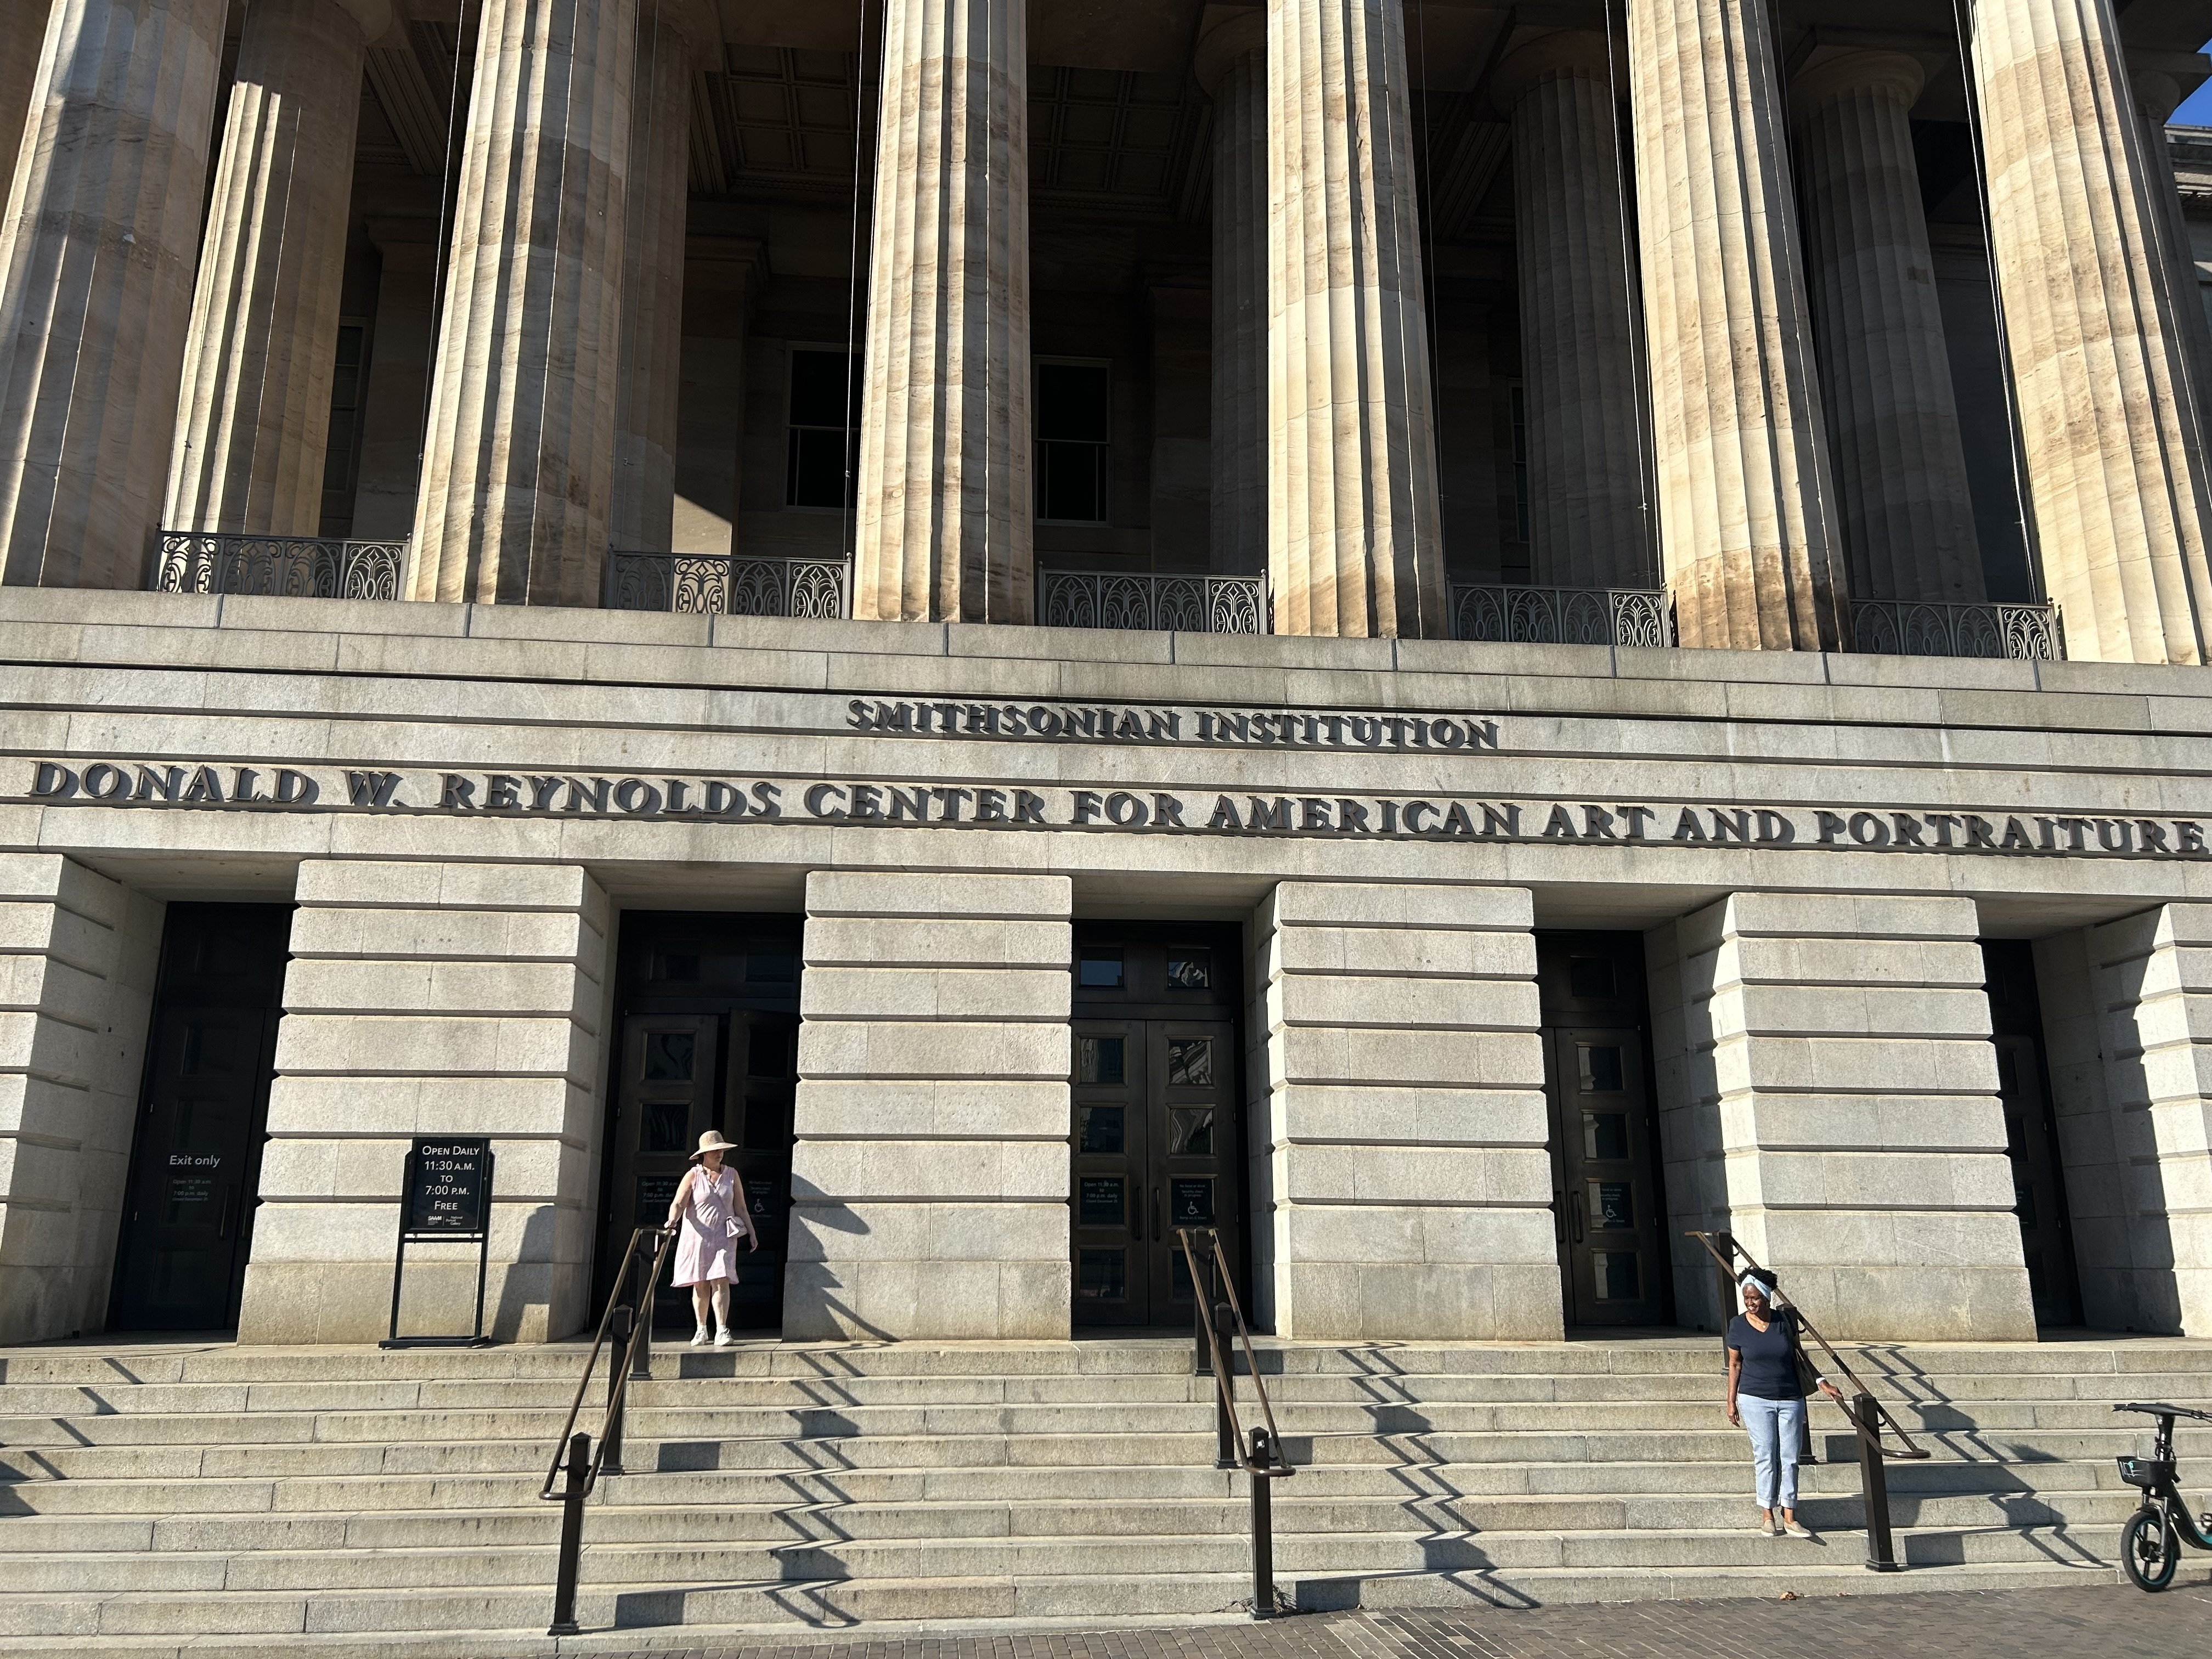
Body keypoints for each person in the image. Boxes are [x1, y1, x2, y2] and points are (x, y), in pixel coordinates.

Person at [1724, 1269, 1843, 1538]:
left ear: (1765, 1297)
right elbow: (1734, 1364)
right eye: (1746, 1298)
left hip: (1790, 1398)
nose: (1750, 1303)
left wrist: (1822, 1383)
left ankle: (1789, 1514)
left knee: (1790, 1458)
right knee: (1765, 1455)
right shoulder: (1738, 1325)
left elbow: (1800, 1357)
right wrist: (1731, 1402)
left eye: (1754, 1298)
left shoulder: (1783, 1322)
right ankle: (1767, 1514)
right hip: (1754, 1399)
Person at [665, 1130, 757, 1346]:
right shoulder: (693, 1175)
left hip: (724, 1236)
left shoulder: (732, 1175)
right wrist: (672, 1221)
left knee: (721, 1280)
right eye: (715, 1150)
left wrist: (752, 1232)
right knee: (700, 1284)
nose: (719, 1154)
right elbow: (679, 1203)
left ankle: (722, 1329)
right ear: (704, 1154)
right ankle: (701, 1329)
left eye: (721, 1150)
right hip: (697, 1237)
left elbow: (741, 1207)